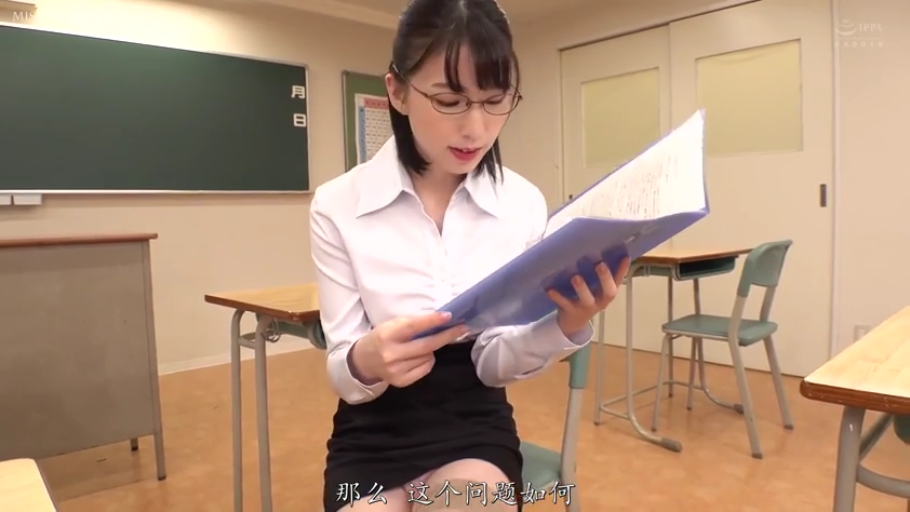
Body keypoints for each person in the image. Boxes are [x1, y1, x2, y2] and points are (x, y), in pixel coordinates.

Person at [309, 0, 630, 510]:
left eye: (495, 100)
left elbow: (494, 361)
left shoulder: (520, 203)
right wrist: (366, 359)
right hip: (371, 432)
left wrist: (565, 324)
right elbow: (344, 373)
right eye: (449, 100)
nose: (476, 129)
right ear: (397, 91)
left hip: (474, 425)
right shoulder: (337, 205)